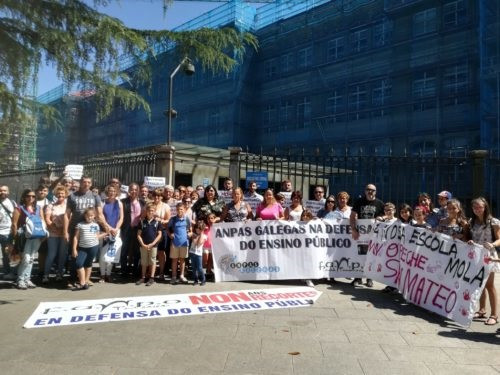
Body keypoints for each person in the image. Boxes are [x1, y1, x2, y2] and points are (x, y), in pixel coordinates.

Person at [64, 176, 108, 288]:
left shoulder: (95, 196)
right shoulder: (72, 196)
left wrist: (107, 226)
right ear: (80, 183)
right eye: (84, 182)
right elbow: (67, 214)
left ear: (91, 183)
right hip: (76, 230)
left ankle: (84, 280)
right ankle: (72, 278)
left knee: (89, 257)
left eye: (89, 182)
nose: (86, 184)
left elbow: (99, 213)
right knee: (74, 255)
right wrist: (65, 231)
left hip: (90, 231)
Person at [468, 197, 499, 326]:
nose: (477, 210)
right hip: (476, 256)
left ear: (485, 207)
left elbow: (499, 239)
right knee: (479, 283)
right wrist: (470, 241)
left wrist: (492, 244)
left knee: (489, 285)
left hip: (489, 256)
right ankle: (482, 310)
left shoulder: (493, 221)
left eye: (479, 207)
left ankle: (494, 315)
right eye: (474, 207)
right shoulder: (471, 221)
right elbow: (470, 237)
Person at [12, 189, 48, 289]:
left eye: (33, 196)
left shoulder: (38, 208)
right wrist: (16, 239)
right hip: (25, 237)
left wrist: (44, 234)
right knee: (26, 258)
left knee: (31, 258)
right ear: (24, 197)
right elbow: (14, 225)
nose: (31, 198)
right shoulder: (19, 208)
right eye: (28, 196)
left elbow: (42, 221)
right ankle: (20, 280)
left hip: (37, 236)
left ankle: (27, 279)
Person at [350, 183, 384, 288]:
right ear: (365, 191)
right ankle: (358, 278)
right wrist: (354, 229)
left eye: (372, 190)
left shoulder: (380, 203)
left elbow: (386, 215)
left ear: (375, 192)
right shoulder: (359, 202)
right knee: (360, 254)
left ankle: (369, 278)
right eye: (368, 189)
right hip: (361, 235)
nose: (370, 192)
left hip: (373, 236)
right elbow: (352, 216)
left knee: (372, 256)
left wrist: (382, 218)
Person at [72, 208, 106, 290]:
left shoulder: (96, 225)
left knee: (89, 264)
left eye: (91, 216)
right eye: (88, 216)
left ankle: (86, 281)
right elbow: (76, 237)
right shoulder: (80, 225)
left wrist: (105, 233)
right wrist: (74, 249)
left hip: (93, 247)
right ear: (85, 216)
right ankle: (82, 282)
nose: (89, 217)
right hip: (83, 248)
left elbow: (97, 237)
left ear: (94, 216)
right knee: (78, 263)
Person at [43, 185, 68, 283]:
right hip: (53, 233)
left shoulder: (68, 205)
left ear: (66, 194)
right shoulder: (51, 205)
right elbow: (47, 219)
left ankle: (59, 274)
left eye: (62, 193)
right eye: (58, 193)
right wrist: (54, 227)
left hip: (64, 233)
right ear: (56, 195)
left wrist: (64, 230)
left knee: (62, 255)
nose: (60, 195)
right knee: (51, 254)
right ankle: (46, 275)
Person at [99, 184, 124, 283]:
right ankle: (102, 275)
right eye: (110, 191)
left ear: (116, 192)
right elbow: (101, 218)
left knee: (111, 253)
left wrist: (116, 228)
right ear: (107, 192)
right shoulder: (103, 202)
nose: (112, 193)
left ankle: (108, 274)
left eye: (114, 191)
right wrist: (109, 228)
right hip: (104, 231)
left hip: (116, 231)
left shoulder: (120, 203)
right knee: (102, 253)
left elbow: (121, 218)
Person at [120, 183, 145, 278]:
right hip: (126, 228)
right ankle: (124, 270)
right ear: (128, 191)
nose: (133, 191)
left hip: (138, 229)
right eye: (132, 189)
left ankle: (135, 270)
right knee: (124, 250)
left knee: (137, 251)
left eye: (135, 190)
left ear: (138, 191)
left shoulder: (143, 202)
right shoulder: (123, 202)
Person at [136, 203, 162, 286]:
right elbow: (138, 235)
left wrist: (153, 243)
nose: (150, 212)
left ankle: (151, 278)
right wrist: (143, 244)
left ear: (154, 212)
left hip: (153, 245)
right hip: (143, 245)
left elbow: (159, 234)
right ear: (146, 211)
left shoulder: (157, 222)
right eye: (149, 210)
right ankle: (143, 277)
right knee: (144, 261)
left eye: (152, 211)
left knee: (152, 261)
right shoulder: (142, 222)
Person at [167, 202, 192, 285]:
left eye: (181, 209)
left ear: (184, 209)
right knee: (174, 260)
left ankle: (181, 275)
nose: (179, 211)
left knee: (182, 260)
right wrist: (170, 234)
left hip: (184, 243)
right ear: (176, 210)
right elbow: (167, 229)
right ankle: (174, 277)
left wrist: (190, 234)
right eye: (178, 209)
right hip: (175, 243)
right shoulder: (173, 219)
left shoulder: (187, 219)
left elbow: (190, 230)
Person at [150, 188, 171, 281]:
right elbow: (143, 217)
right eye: (154, 196)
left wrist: (161, 220)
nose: (156, 198)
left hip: (162, 231)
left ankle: (161, 273)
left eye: (158, 196)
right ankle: (151, 274)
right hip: (150, 231)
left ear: (161, 197)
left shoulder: (166, 206)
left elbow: (168, 220)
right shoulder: (149, 205)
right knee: (151, 253)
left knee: (161, 253)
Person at [0, 185, 17, 280]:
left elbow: (16, 217)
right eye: (1, 190)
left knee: (7, 253)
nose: (2, 192)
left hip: (7, 232)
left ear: (8, 192)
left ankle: (9, 272)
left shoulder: (12, 203)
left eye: (5, 190)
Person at [189, 221, 207, 286]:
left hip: (199, 254)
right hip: (192, 252)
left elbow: (199, 243)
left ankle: (203, 280)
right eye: (196, 228)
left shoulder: (204, 236)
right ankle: (195, 280)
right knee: (194, 268)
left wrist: (201, 233)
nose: (197, 229)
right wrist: (194, 235)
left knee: (199, 268)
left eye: (199, 228)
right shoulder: (194, 234)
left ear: (202, 229)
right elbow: (193, 240)